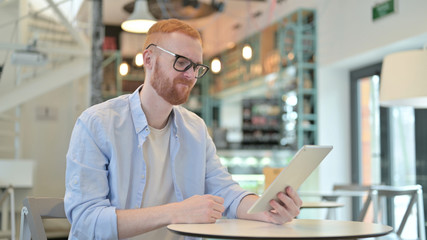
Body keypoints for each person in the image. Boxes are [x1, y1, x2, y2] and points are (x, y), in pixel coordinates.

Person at [64, 18, 302, 240]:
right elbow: (86, 221)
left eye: (196, 66)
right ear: (149, 60)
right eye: (181, 62)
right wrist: (176, 212)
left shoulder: (195, 128)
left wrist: (267, 210)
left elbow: (226, 192)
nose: (190, 75)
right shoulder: (97, 124)